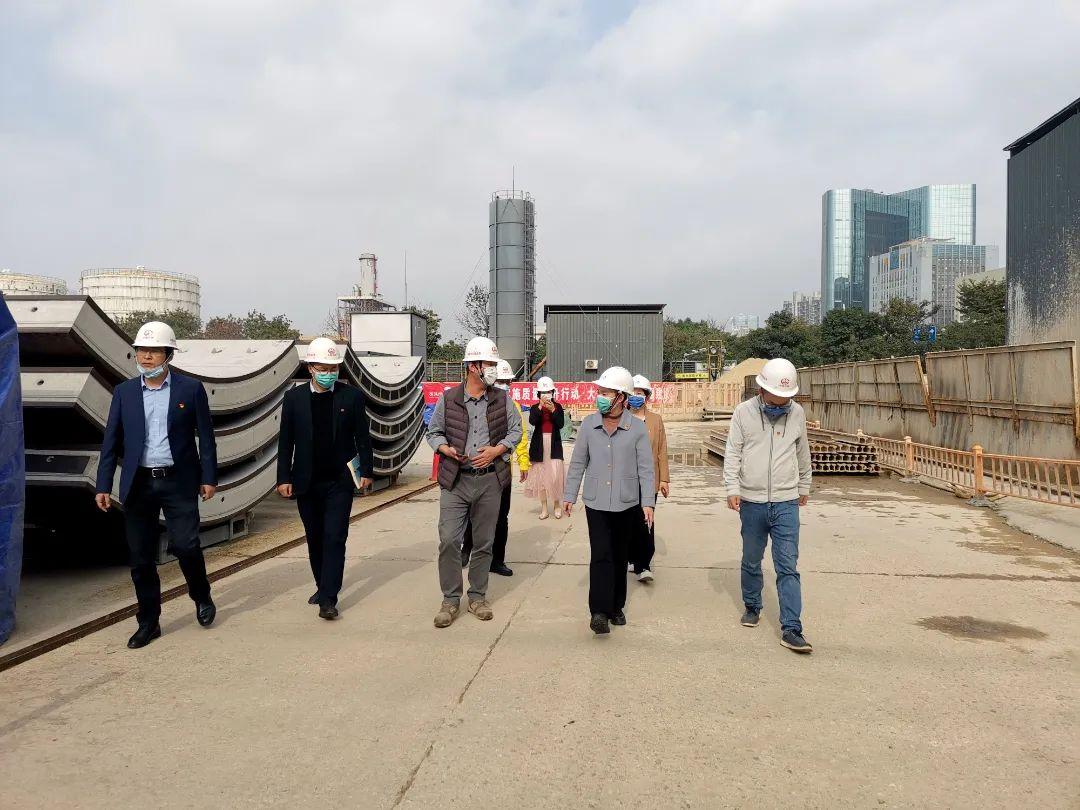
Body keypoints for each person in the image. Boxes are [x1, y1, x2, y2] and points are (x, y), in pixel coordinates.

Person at [95, 321, 218, 649]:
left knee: (186, 546)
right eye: (141, 351)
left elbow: (206, 437)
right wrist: (103, 484)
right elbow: (111, 442)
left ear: (168, 355)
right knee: (140, 558)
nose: (146, 357)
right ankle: (148, 622)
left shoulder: (190, 390)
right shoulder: (124, 393)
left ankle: (201, 595)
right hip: (139, 483)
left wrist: (209, 477)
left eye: (154, 351)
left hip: (178, 480)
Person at [426, 337, 522, 628]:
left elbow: (516, 431)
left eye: (493, 364)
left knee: (484, 543)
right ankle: (450, 600)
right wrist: (445, 449)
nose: (492, 369)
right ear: (472, 366)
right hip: (456, 481)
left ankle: (478, 597)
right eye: (488, 364)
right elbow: (433, 432)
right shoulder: (449, 399)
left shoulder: (502, 399)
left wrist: (497, 450)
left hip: (490, 481)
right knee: (449, 540)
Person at [276, 338, 373, 620]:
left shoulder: (351, 397)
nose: (329, 373)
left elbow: (362, 438)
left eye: (333, 368)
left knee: (334, 537)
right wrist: (283, 477)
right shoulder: (294, 399)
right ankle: (322, 586)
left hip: (339, 481)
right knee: (315, 537)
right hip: (306, 481)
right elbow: (286, 442)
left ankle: (329, 599)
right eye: (323, 368)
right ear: (310, 368)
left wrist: (367, 472)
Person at [723, 358, 813, 653]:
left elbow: (802, 451)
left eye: (786, 399)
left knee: (788, 565)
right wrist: (732, 488)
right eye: (776, 398)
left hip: (786, 501)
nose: (781, 404)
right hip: (752, 501)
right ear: (762, 390)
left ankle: (792, 628)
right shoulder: (743, 413)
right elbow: (733, 452)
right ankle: (752, 605)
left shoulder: (796, 413)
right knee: (751, 559)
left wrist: (804, 485)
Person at [562, 367, 654, 635]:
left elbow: (646, 469)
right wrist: (569, 495)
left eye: (606, 393)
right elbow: (578, 462)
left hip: (627, 502)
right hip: (596, 502)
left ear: (621, 398)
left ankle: (616, 607)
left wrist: (648, 503)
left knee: (620, 555)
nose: (600, 398)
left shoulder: (637, 428)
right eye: (599, 392)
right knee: (601, 554)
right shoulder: (589, 425)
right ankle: (599, 612)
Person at [461, 359, 529, 577]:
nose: (503, 385)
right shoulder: (473, 401)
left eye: (507, 382)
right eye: (500, 381)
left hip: (501, 471)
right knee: (472, 513)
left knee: (501, 518)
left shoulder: (511, 405)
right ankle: (467, 548)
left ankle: (497, 560)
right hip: (475, 469)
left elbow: (520, 435)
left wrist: (523, 462)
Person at [627, 374, 669, 583]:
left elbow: (661, 450)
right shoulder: (621, 419)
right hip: (626, 480)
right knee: (628, 521)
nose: (636, 397)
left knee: (646, 521)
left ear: (647, 397)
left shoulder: (655, 420)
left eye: (640, 393)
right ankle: (630, 556)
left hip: (649, 481)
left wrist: (664, 479)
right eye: (632, 393)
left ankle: (643, 564)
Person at [522, 376, 566, 520]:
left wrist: (553, 410)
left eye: (548, 392)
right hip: (539, 446)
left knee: (555, 477)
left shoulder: (557, 406)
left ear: (553, 393)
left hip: (554, 446)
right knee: (541, 479)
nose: (546, 395)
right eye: (543, 392)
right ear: (539, 394)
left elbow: (560, 424)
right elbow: (533, 421)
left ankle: (557, 505)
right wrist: (541, 407)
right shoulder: (535, 408)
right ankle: (544, 508)